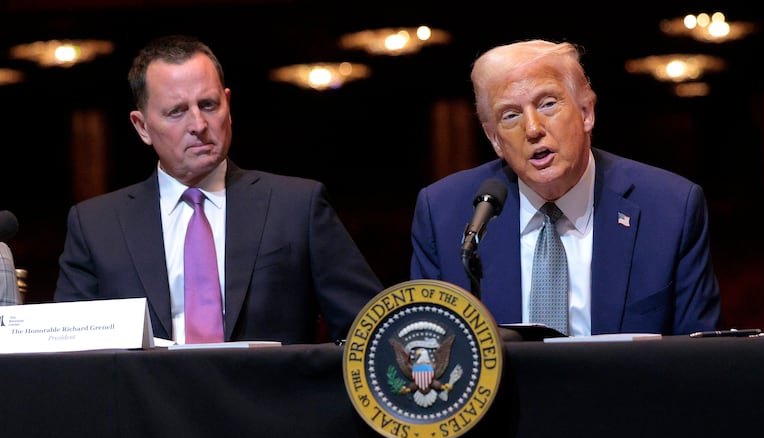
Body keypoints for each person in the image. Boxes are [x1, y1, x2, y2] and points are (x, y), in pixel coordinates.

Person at [54, 34, 384, 344]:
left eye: (209, 105)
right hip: (147, 404)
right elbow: (72, 356)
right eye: (177, 111)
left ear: (228, 104)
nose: (198, 125)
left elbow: (372, 330)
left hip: (268, 403)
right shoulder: (97, 227)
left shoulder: (296, 206)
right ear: (142, 126)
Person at [410, 39, 721, 336]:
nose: (532, 129)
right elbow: (429, 351)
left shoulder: (670, 208)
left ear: (586, 112)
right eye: (511, 115)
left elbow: (699, 361)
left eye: (547, 104)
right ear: (494, 139)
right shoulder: (443, 214)